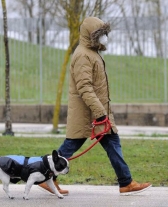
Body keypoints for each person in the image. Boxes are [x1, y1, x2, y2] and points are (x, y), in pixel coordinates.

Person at [39, 16, 151, 196]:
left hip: (96, 114)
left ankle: (126, 182)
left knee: (110, 143)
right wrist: (100, 113)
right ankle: (47, 176)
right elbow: (85, 87)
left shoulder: (91, 52)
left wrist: (101, 112)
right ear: (90, 35)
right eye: (100, 34)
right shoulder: (83, 55)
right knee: (71, 146)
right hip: (89, 115)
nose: (104, 37)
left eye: (104, 33)